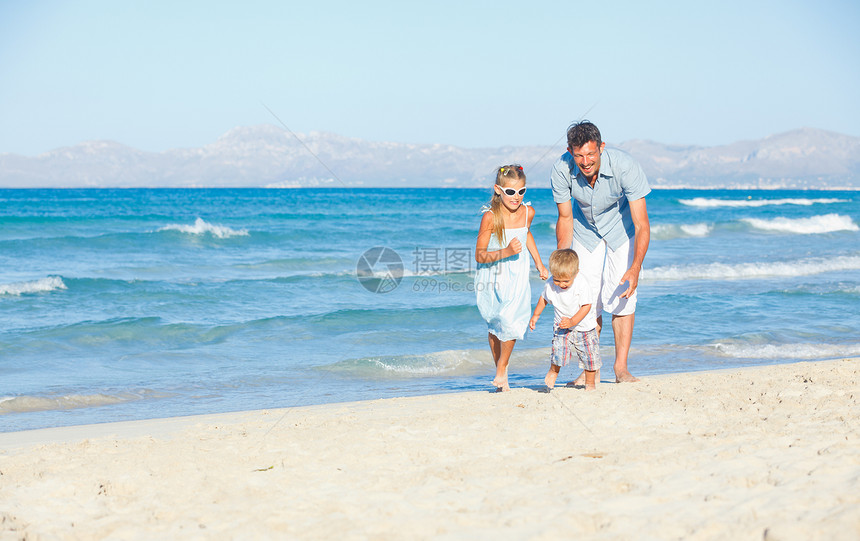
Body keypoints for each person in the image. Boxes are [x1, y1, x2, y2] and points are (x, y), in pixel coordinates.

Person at [551, 121, 651, 384]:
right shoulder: (562, 170)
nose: (585, 161)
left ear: (601, 148)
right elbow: (565, 218)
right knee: (586, 297)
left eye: (591, 154)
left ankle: (621, 369)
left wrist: (635, 267)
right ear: (570, 151)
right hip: (585, 230)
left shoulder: (625, 166)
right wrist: (563, 260)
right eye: (579, 155)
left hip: (622, 229)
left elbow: (642, 223)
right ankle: (589, 370)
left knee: (621, 296)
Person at [475, 164, 548, 391]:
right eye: (510, 192)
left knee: (512, 321)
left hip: (517, 274)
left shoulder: (528, 212)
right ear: (498, 190)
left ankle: (500, 369)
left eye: (521, 191)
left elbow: (527, 235)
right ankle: (501, 371)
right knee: (495, 325)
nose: (516, 197)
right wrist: (505, 251)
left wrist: (539, 262)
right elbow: (480, 255)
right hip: (493, 274)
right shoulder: (490, 217)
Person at [529, 249, 600, 390]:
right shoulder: (550, 284)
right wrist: (536, 315)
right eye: (557, 280)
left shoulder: (582, 284)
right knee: (558, 351)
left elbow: (586, 306)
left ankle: (590, 383)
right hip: (561, 326)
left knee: (589, 356)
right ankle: (553, 371)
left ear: (576, 273)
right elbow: (543, 299)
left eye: (566, 281)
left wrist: (573, 321)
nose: (561, 284)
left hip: (584, 327)